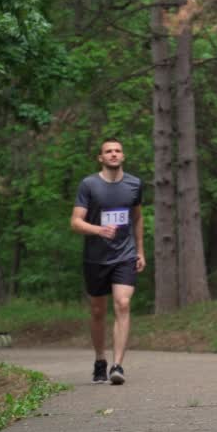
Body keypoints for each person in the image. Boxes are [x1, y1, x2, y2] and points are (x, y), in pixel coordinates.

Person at [70, 138, 145, 385]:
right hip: (95, 258)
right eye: (108, 151)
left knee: (122, 304)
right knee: (97, 310)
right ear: (100, 158)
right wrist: (98, 230)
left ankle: (118, 365)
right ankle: (100, 359)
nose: (113, 154)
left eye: (118, 151)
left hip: (124, 255)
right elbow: (76, 222)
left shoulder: (134, 184)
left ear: (123, 156)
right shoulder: (89, 185)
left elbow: (136, 219)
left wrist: (140, 251)